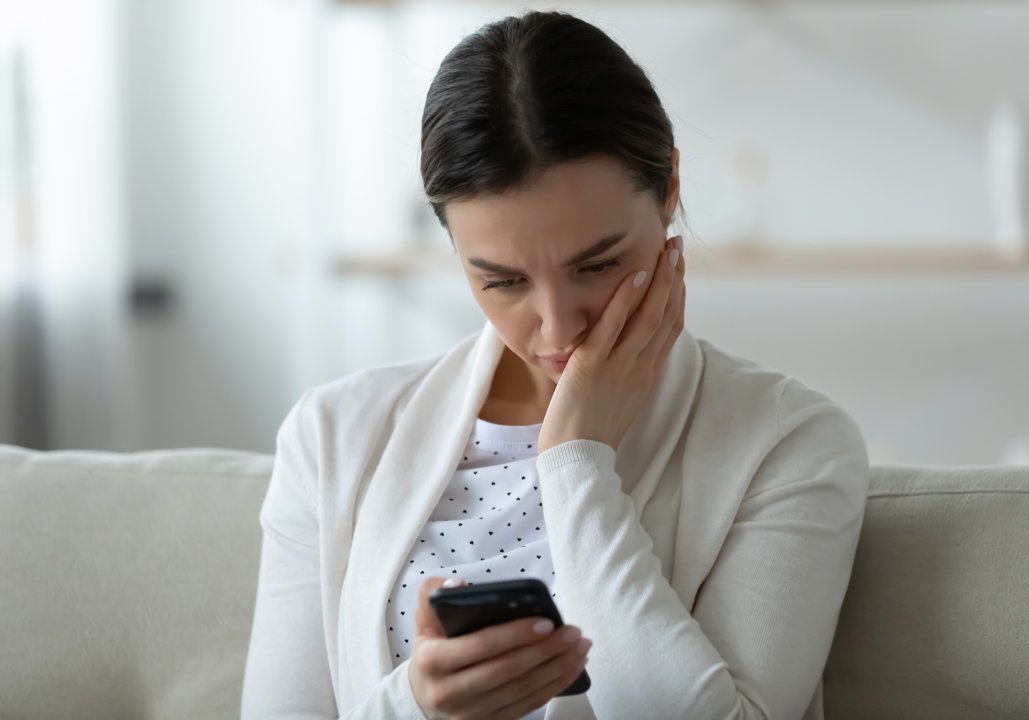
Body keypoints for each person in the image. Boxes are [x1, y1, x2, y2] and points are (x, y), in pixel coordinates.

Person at [240, 10, 869, 720]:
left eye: (597, 265)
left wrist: (576, 459)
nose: (558, 325)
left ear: (668, 192)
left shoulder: (788, 444)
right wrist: (415, 707)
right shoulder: (333, 437)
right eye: (502, 281)